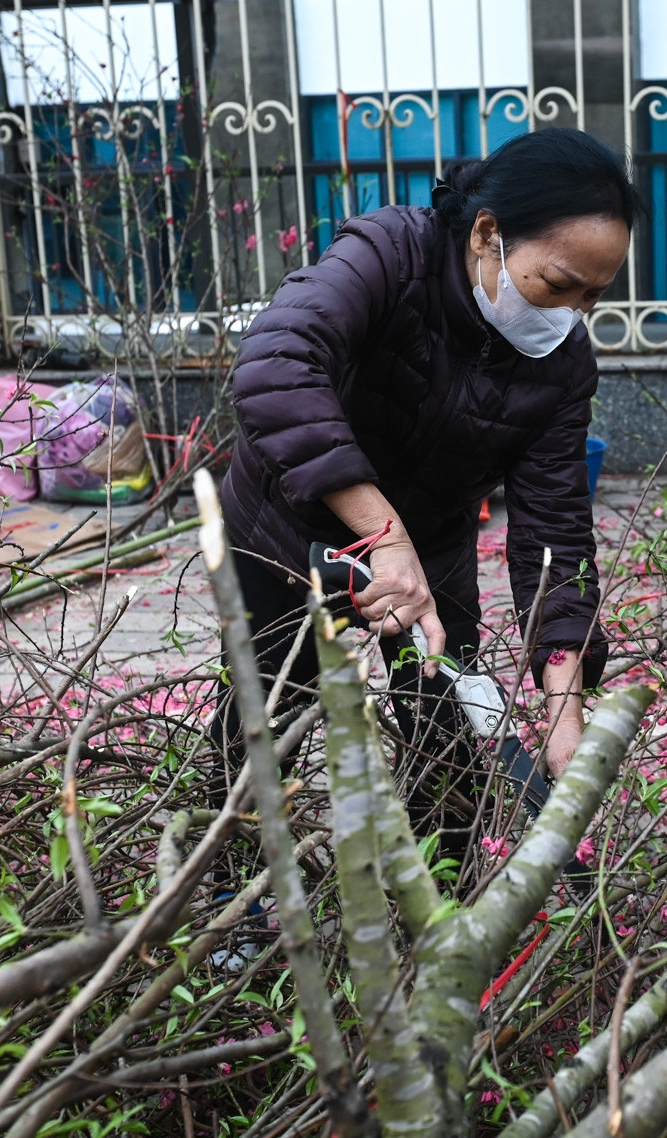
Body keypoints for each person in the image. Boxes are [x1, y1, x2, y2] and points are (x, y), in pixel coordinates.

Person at [220, 128, 640, 854]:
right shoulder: (392, 254)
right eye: (557, 283)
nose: (570, 314)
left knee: (447, 726)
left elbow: (556, 530)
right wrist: (383, 536)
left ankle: (447, 904)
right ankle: (244, 890)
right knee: (267, 717)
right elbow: (274, 366)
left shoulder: (562, 364)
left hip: (432, 548)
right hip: (285, 525)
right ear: (487, 234)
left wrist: (566, 707)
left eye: (593, 297)